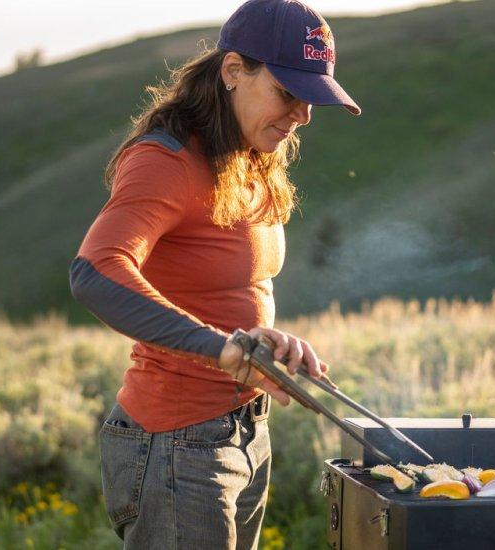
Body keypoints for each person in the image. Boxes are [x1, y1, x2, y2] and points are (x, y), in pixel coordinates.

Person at [68, 0, 360, 547]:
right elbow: (96, 270)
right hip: (179, 444)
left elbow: (229, 288)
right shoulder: (167, 160)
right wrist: (221, 347)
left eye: (312, 97)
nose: (303, 115)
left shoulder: (249, 156)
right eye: (288, 93)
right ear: (232, 72)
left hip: (245, 434)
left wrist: (261, 342)